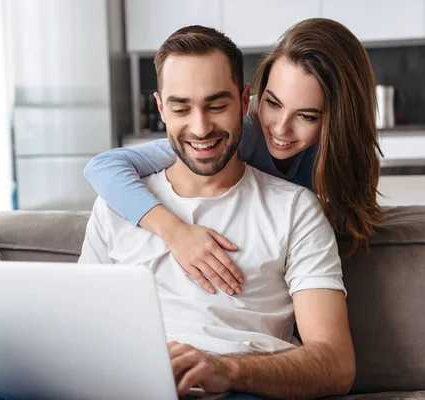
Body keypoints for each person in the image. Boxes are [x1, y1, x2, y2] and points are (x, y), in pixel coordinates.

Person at [0, 25, 355, 400]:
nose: (200, 127)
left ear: (242, 101)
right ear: (160, 109)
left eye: (216, 105)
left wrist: (226, 370)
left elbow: (335, 364)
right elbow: (83, 326)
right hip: (110, 388)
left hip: (222, 388)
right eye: (181, 107)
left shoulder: (297, 208)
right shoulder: (119, 205)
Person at [84, 18, 384, 297]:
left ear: (338, 120)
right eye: (272, 103)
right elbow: (104, 166)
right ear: (251, 98)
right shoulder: (240, 132)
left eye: (306, 116)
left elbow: (351, 223)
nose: (280, 129)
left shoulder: (344, 164)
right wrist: (176, 233)